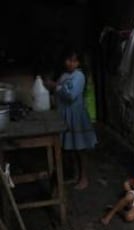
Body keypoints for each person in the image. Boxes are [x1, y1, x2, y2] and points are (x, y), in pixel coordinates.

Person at [46, 48, 97, 190]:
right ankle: (76, 175)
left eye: (74, 60)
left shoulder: (79, 76)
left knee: (80, 148)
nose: (71, 63)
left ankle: (84, 177)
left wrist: (55, 86)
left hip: (76, 116)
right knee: (71, 148)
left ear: (79, 62)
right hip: (65, 116)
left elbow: (71, 95)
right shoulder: (64, 75)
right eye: (69, 60)